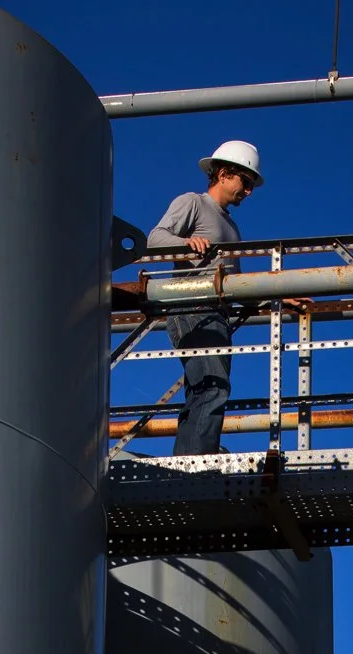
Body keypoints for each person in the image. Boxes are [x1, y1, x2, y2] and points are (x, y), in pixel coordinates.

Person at [148, 140, 262, 455]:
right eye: (245, 182)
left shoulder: (232, 227)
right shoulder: (193, 203)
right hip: (192, 307)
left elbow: (234, 282)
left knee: (207, 387)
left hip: (217, 315)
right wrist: (186, 242)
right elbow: (155, 238)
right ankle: (196, 460)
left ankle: (197, 451)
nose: (248, 191)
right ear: (224, 173)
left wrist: (277, 298)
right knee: (212, 387)